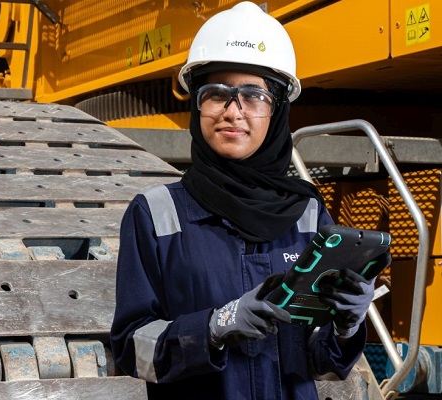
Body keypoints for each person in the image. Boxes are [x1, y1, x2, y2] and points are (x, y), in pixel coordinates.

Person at [110, 2, 380, 399]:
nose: (232, 112)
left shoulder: (307, 215)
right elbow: (131, 351)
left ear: (278, 109)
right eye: (216, 94)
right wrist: (213, 328)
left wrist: (346, 327)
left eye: (253, 96)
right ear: (196, 104)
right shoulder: (155, 214)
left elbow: (320, 366)